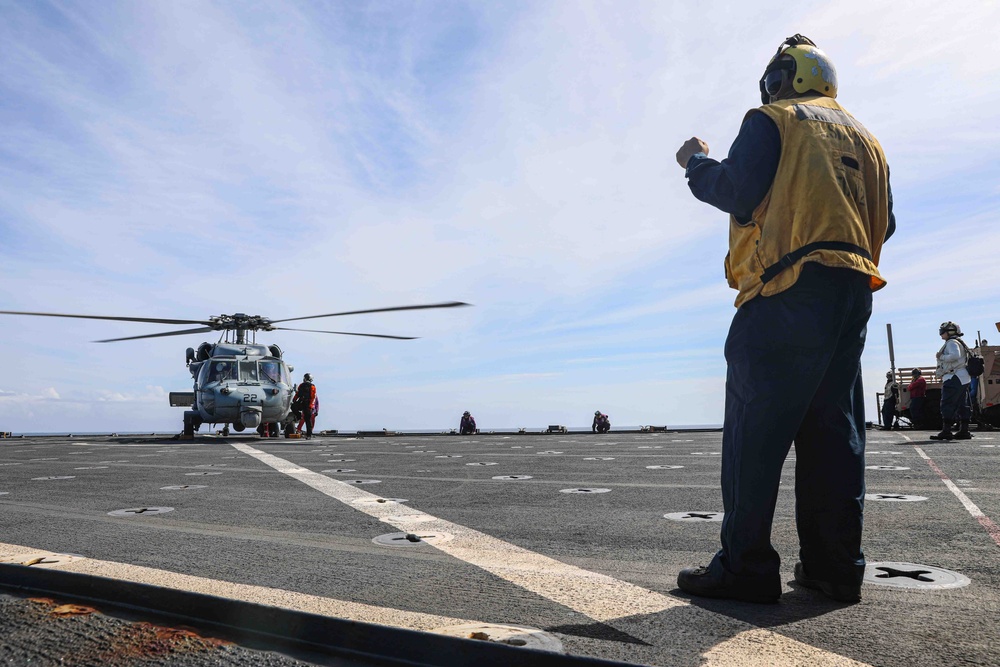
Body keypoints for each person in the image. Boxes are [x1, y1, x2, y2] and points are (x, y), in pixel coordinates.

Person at [674, 34, 894, 604]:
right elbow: (886, 224)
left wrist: (696, 161)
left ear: (781, 78)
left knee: (755, 434)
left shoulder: (773, 119)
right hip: (852, 291)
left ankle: (745, 568)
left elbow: (737, 192)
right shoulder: (869, 141)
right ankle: (835, 569)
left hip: (785, 288)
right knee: (834, 436)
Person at [931, 322, 972, 441]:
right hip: (962, 377)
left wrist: (941, 356)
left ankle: (946, 431)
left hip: (954, 377)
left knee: (947, 403)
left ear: (949, 331)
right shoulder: (959, 342)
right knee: (962, 404)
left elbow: (955, 355)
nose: (941, 334)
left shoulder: (952, 342)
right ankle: (964, 430)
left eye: (942, 332)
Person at [293, 373, 318, 439]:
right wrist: (295, 399)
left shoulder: (312, 387)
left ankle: (309, 434)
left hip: (307, 404)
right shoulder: (301, 385)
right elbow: (298, 393)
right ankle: (299, 416)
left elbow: (313, 397)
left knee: (307, 419)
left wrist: (311, 405)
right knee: (293, 407)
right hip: (302, 402)